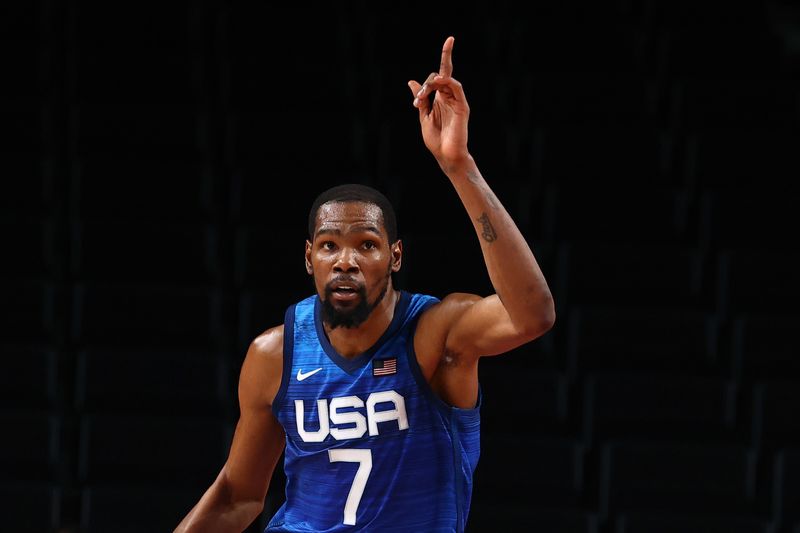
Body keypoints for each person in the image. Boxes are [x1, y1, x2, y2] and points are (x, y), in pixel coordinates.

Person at [175, 35, 554, 533]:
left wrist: (459, 166)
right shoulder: (275, 354)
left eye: (367, 245)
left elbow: (533, 315)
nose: (346, 261)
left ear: (395, 257)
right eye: (329, 245)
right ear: (309, 258)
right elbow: (237, 497)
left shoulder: (436, 335)